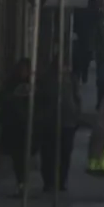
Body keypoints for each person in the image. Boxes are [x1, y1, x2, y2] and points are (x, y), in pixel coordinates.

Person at [38, 59, 81, 193]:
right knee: (48, 154)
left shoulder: (72, 79)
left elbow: (77, 97)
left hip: (68, 122)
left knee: (65, 154)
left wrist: (77, 115)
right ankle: (49, 181)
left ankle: (61, 181)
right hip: (49, 122)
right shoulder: (46, 79)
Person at [0, 58, 35, 196]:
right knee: (18, 157)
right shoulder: (11, 84)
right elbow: (1, 99)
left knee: (25, 157)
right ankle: (21, 183)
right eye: (22, 69)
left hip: (28, 126)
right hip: (14, 126)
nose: (24, 72)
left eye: (27, 70)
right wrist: (14, 97)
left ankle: (24, 183)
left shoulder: (33, 84)